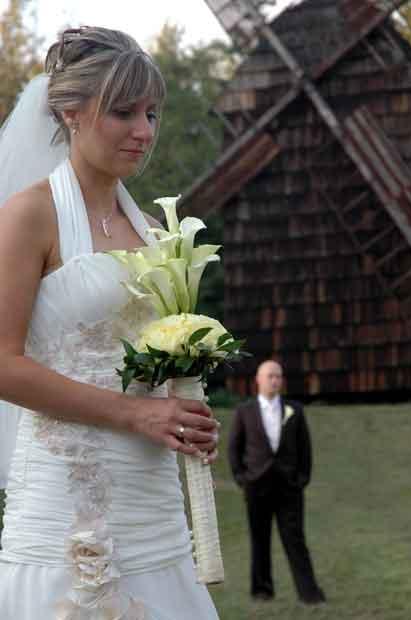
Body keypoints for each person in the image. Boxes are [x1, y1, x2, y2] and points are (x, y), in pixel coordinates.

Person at [0, 26, 220, 620]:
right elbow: (2, 363)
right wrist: (136, 412)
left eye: (151, 113)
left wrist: (186, 416)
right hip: (64, 502)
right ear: (70, 112)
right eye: (124, 112)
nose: (144, 132)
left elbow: (152, 363)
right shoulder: (29, 215)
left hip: (154, 507)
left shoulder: (155, 230)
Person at [228, 359, 326, 605]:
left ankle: (309, 593)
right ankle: (262, 590)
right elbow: (234, 448)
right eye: (270, 375)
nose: (275, 380)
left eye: (279, 376)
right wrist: (242, 478)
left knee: (295, 540)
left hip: (288, 487)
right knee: (259, 540)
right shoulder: (244, 411)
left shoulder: (295, 411)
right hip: (256, 486)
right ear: (258, 380)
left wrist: (301, 479)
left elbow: (305, 449)